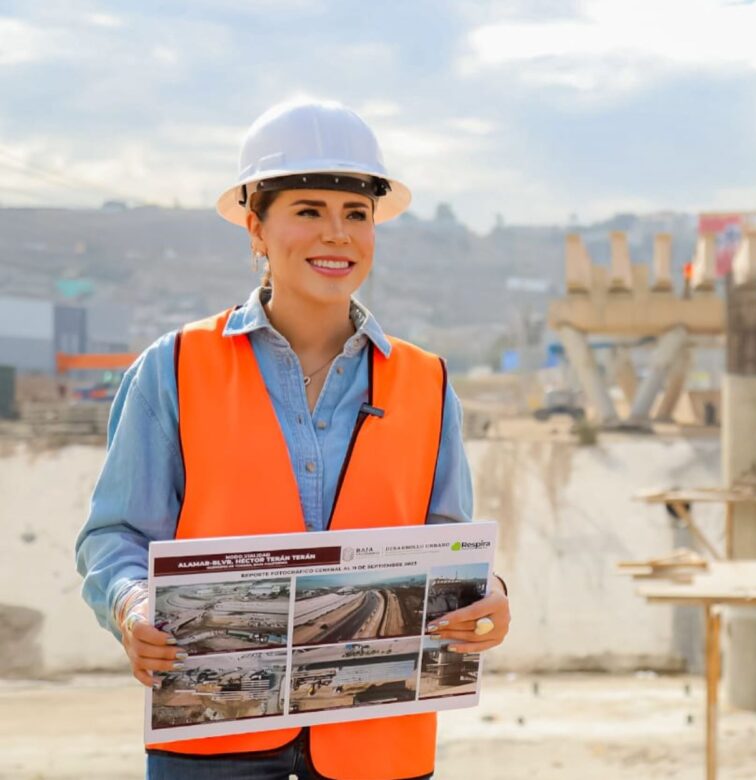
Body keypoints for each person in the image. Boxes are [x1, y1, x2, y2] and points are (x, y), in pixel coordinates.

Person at [75, 99, 511, 780]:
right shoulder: (174, 368)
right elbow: (115, 535)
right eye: (308, 211)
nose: (337, 235)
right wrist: (132, 607)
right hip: (214, 743)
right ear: (256, 227)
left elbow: (447, 543)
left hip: (379, 747)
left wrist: (487, 595)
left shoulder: (427, 382)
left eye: (356, 215)